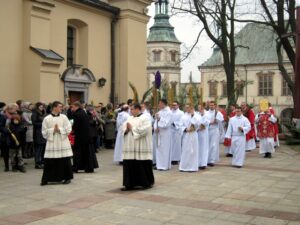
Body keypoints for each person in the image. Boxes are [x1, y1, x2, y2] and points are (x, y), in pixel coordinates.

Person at [121, 103, 154, 191]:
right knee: (129, 163)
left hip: (141, 145)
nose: (130, 111)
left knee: (141, 163)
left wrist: (132, 128)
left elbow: (145, 130)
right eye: (130, 109)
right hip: (130, 145)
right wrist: (126, 129)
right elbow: (123, 128)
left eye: (132, 109)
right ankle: (129, 184)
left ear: (137, 109)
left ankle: (145, 183)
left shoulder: (145, 118)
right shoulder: (129, 118)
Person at [41, 101, 73, 185]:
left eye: (61, 107)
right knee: (50, 160)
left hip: (63, 142)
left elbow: (69, 128)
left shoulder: (64, 117)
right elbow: (44, 132)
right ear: (54, 107)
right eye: (60, 107)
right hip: (52, 143)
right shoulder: (47, 118)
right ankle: (46, 179)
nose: (61, 108)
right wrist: (53, 130)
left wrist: (59, 130)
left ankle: (67, 178)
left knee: (65, 160)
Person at [72, 101, 99, 173]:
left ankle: (76, 167)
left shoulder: (77, 114)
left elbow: (76, 125)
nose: (72, 108)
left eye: (73, 107)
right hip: (87, 136)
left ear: (76, 106)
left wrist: (72, 128)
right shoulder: (83, 113)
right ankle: (89, 167)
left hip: (80, 137)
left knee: (78, 152)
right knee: (88, 152)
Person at [179, 104, 200, 172]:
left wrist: (193, 115)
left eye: (189, 108)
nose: (188, 109)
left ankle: (192, 167)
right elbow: (180, 125)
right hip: (186, 135)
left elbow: (199, 123)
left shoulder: (196, 115)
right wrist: (185, 129)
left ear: (192, 108)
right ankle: (183, 167)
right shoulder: (183, 116)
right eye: (186, 108)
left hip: (193, 135)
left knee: (193, 151)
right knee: (185, 150)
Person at [153, 99, 172, 171]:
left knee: (165, 149)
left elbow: (167, 124)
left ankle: (164, 165)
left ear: (164, 104)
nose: (159, 105)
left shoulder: (169, 112)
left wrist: (160, 119)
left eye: (160, 103)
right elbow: (155, 122)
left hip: (165, 134)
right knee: (158, 148)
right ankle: (159, 164)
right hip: (159, 133)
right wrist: (155, 127)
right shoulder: (159, 112)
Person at [207, 101, 224, 166]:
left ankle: (212, 160)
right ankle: (207, 159)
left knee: (213, 145)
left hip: (215, 130)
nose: (211, 106)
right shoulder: (206, 113)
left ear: (215, 106)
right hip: (208, 130)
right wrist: (209, 122)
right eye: (210, 105)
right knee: (207, 145)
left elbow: (221, 120)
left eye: (212, 105)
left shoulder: (218, 113)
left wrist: (217, 120)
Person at [31, 102, 46, 169]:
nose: (42, 108)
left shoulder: (43, 113)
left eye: (42, 107)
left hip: (43, 132)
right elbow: (34, 123)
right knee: (38, 149)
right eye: (40, 107)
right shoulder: (34, 114)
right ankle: (37, 163)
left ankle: (42, 162)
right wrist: (43, 124)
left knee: (43, 148)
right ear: (37, 107)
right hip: (38, 133)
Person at [197, 104, 210, 169]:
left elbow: (207, 122)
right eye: (198, 107)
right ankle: (198, 163)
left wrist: (202, 125)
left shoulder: (207, 114)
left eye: (200, 107)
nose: (199, 108)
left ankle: (203, 163)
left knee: (204, 147)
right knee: (198, 148)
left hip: (204, 133)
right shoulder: (197, 114)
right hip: (198, 133)